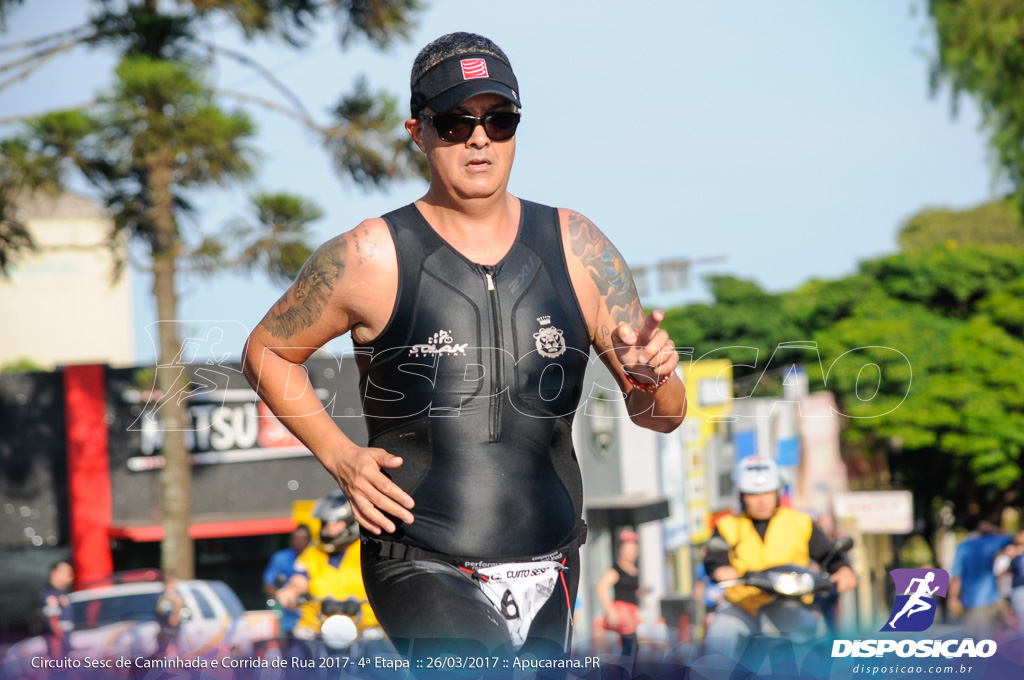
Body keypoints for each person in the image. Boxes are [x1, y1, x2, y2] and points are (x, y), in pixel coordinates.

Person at [242, 31, 686, 660]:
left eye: (499, 120)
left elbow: (664, 415)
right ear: (417, 131)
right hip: (421, 559)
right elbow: (267, 350)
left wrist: (650, 377)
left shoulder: (579, 247)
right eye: (455, 122)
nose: (480, 138)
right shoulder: (370, 256)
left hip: (554, 565)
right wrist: (342, 458)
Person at [703, 456, 857, 658]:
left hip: (791, 602)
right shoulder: (727, 526)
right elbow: (715, 558)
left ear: (778, 492)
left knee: (815, 637)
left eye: (768, 492)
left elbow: (828, 554)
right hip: (742, 604)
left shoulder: (800, 522)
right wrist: (720, 569)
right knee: (718, 640)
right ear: (741, 496)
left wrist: (842, 569)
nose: (761, 500)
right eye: (753, 494)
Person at [275, 492, 378, 645]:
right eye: (325, 522)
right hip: (317, 629)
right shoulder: (313, 552)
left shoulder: (367, 550)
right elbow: (299, 578)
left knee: (385, 663)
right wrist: (290, 591)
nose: (329, 527)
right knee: (296, 663)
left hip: (364, 630)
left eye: (335, 521)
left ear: (350, 522)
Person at [948, 514, 1012, 639]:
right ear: (981, 525)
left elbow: (956, 576)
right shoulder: (990, 542)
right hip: (993, 596)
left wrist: (952, 597)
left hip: (973, 599)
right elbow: (1010, 537)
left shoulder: (963, 547)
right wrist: (992, 528)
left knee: (976, 638)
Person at [595, 529, 642, 654]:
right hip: (622, 611)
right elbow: (601, 587)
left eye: (633, 550)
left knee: (631, 648)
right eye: (628, 550)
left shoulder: (633, 568)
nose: (631, 553)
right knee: (631, 648)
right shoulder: (616, 570)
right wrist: (611, 611)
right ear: (620, 550)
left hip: (632, 611)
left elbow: (629, 591)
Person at [263, 525, 312, 639]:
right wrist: (283, 596)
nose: (300, 542)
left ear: (310, 541)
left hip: (315, 617)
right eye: (296, 538)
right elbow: (267, 585)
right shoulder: (281, 558)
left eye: (304, 539)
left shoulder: (318, 557)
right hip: (289, 616)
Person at [40, 560, 74, 659]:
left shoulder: (63, 593)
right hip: (58, 643)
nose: (70, 576)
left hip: (66, 640)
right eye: (66, 572)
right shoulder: (49, 594)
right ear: (54, 573)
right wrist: (63, 642)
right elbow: (53, 621)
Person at [155, 572, 185, 656]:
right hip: (168, 634)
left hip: (169, 633)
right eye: (175, 582)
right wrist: (177, 605)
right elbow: (172, 620)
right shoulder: (167, 598)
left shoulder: (166, 596)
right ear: (171, 583)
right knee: (169, 659)